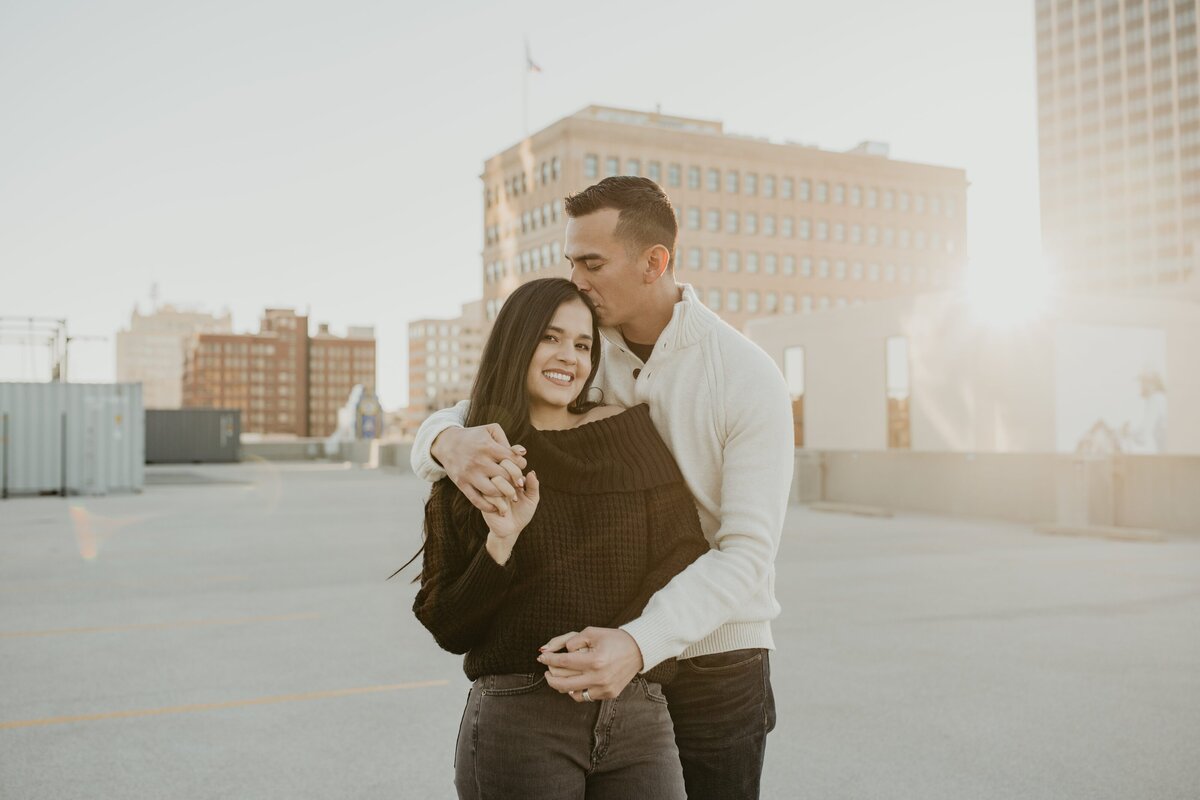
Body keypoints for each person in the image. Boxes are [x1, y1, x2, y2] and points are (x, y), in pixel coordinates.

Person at [412, 176, 795, 799]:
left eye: (592, 263)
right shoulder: (587, 349)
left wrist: (641, 644)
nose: (578, 280)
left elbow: (747, 553)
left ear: (655, 262)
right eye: (571, 261)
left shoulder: (746, 376)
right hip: (601, 656)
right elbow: (485, 407)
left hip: (714, 662)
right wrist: (442, 442)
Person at [408, 277, 710, 799]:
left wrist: (629, 643)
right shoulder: (476, 461)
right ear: (515, 343)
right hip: (520, 720)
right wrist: (500, 543)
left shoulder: (629, 432)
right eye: (550, 338)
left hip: (637, 710)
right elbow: (450, 625)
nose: (568, 357)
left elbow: (682, 551)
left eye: (582, 343)